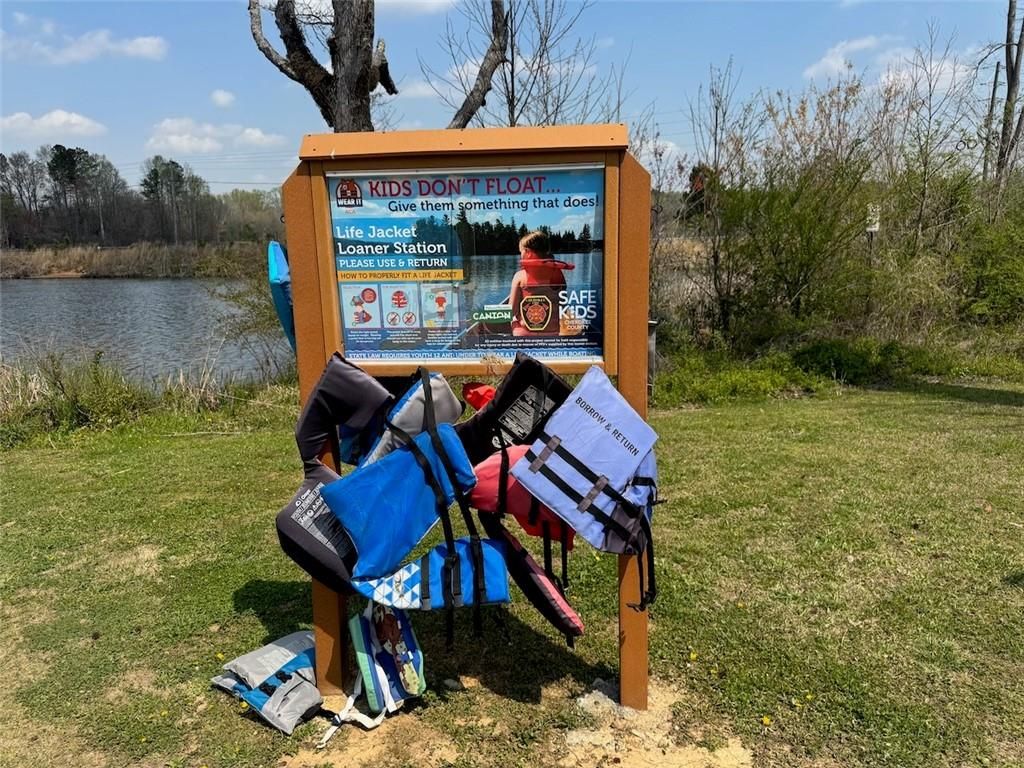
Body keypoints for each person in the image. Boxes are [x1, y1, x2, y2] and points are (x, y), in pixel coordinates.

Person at [509, 231, 574, 337]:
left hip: (526, 333)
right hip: (554, 332)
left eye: (521, 251)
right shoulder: (559, 274)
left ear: (527, 252)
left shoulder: (520, 276)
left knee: (513, 319)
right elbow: (563, 304)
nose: (520, 255)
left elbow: (511, 311)